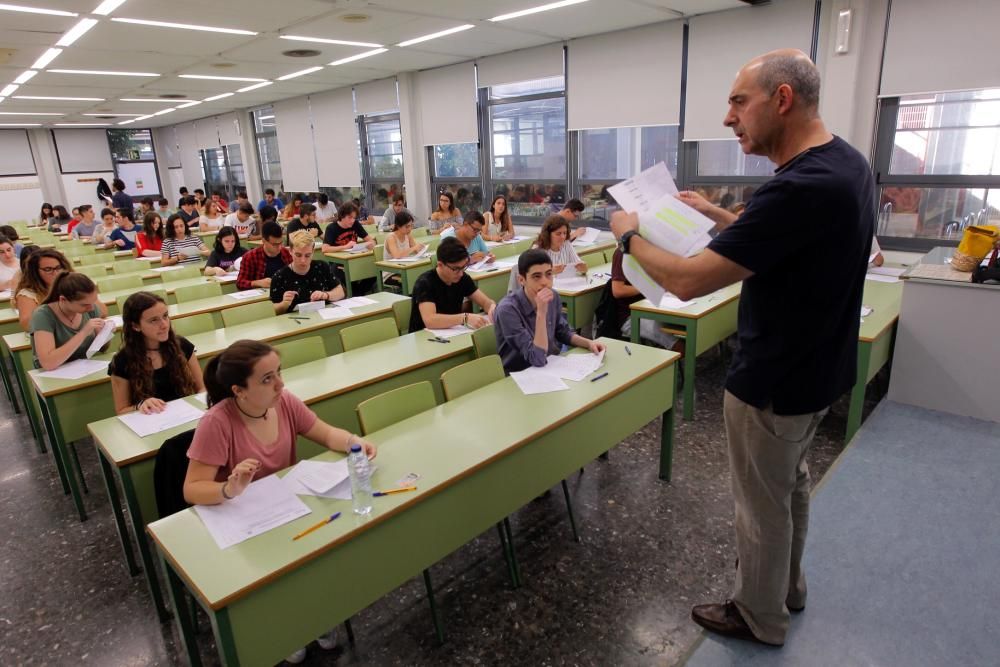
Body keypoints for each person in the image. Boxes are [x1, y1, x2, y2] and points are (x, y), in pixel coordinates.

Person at [609, 50, 874, 647]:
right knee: (790, 486)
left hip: (774, 379)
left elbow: (684, 280)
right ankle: (788, 588)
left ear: (782, 99)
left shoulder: (797, 188)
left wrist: (627, 232)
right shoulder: (844, 165)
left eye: (738, 101)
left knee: (760, 507)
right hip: (818, 372)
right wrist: (719, 214)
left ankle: (759, 615)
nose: (728, 118)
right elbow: (786, 242)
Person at [182, 339, 376, 662]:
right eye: (267, 378)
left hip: (288, 507)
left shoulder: (283, 402)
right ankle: (284, 626)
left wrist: (356, 442)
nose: (280, 384)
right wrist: (227, 490)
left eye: (279, 373)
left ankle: (312, 617)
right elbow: (192, 488)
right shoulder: (217, 422)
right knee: (277, 569)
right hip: (246, 521)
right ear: (239, 390)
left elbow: (325, 433)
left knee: (320, 549)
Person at [493, 249, 606, 374]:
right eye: (536, 276)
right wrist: (541, 313)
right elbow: (537, 357)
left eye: (548, 274)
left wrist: (589, 343)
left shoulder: (553, 297)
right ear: (521, 280)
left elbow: (562, 331)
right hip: (520, 375)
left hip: (551, 365)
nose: (545, 282)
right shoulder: (507, 310)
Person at [109, 291, 205, 415]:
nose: (164, 325)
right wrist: (140, 405)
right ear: (135, 326)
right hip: (150, 423)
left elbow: (202, 387)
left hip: (185, 416)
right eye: (154, 320)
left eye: (165, 316)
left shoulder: (182, 345)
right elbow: (121, 411)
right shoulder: (122, 361)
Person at [408, 237, 496, 333]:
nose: (461, 273)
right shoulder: (425, 283)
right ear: (440, 265)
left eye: (463, 267)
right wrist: (464, 318)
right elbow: (430, 320)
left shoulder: (462, 278)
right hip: (424, 337)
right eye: (456, 269)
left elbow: (485, 302)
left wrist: (492, 307)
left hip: (451, 334)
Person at [29, 272, 109, 370]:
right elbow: (48, 363)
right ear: (63, 299)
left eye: (94, 301)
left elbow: (103, 349)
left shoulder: (91, 308)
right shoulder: (43, 315)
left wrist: (105, 333)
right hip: (52, 375)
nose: (92, 308)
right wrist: (83, 333)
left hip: (84, 368)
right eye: (84, 304)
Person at [608, 247, 678, 349]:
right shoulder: (622, 252)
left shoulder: (650, 251)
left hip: (652, 308)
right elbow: (618, 291)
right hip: (631, 317)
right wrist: (647, 287)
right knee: (675, 342)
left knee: (682, 329)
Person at [269, 230, 344, 314]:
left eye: (307, 255)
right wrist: (284, 304)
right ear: (290, 251)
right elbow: (271, 311)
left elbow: (340, 292)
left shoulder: (322, 267)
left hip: (323, 316)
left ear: (313, 252)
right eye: (298, 255)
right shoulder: (279, 277)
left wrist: (326, 295)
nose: (303, 260)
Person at [14, 248, 71, 331]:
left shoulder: (74, 285)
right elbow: (28, 325)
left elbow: (95, 311)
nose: (56, 273)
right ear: (35, 272)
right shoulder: (27, 294)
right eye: (48, 269)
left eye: (58, 268)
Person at [236, 220, 291, 290]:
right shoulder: (250, 257)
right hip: (261, 296)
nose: (279, 247)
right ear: (264, 241)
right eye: (274, 244)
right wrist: (258, 283)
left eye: (281, 243)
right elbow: (240, 283)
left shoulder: (286, 253)